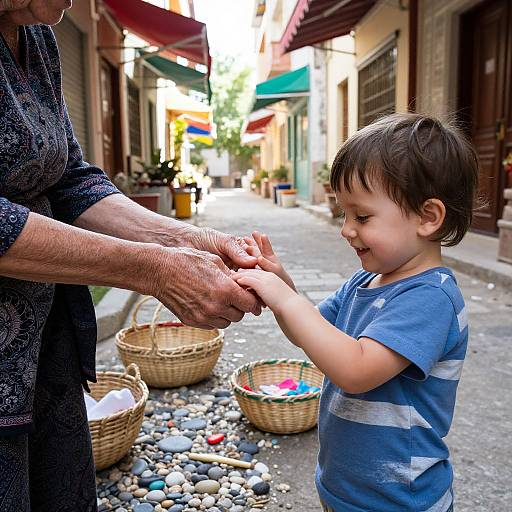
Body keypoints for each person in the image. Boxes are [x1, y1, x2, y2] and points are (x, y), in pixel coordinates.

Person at [0, 1, 260, 510]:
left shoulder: (37, 37)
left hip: (42, 339)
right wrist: (155, 269)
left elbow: (71, 178)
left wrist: (189, 241)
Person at [235, 113, 478, 512]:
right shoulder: (365, 282)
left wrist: (284, 298)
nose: (346, 229)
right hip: (346, 487)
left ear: (428, 217)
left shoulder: (431, 299)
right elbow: (313, 329)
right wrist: (280, 281)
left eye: (362, 216)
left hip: (399, 499)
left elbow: (356, 370)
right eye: (344, 214)